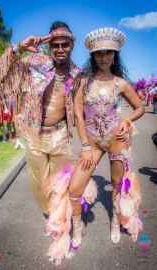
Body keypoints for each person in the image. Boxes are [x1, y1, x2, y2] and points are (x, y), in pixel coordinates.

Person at [0, 21, 81, 264]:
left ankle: (61, 224)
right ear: (49, 45)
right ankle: (50, 215)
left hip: (61, 134)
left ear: (72, 45)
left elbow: (93, 106)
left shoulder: (79, 73)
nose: (60, 49)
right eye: (55, 45)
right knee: (39, 184)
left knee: (62, 183)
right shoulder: (34, 64)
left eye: (65, 44)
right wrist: (19, 47)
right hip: (33, 135)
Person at [68, 28, 145, 248]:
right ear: (92, 55)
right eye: (99, 53)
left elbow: (139, 107)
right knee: (74, 189)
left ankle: (115, 221)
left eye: (109, 53)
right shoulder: (83, 81)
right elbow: (78, 114)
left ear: (115, 55)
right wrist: (83, 145)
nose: (104, 57)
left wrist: (127, 121)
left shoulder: (120, 83)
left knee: (117, 184)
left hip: (117, 138)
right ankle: (77, 226)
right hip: (91, 141)